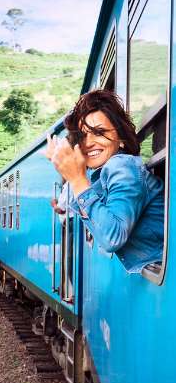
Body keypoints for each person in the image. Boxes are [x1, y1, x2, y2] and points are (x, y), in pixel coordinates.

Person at [45, 89, 164, 273]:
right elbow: (73, 203)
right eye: (83, 136)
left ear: (121, 139)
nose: (88, 143)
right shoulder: (104, 172)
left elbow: (112, 238)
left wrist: (77, 179)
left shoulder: (122, 166)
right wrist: (67, 167)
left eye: (99, 132)